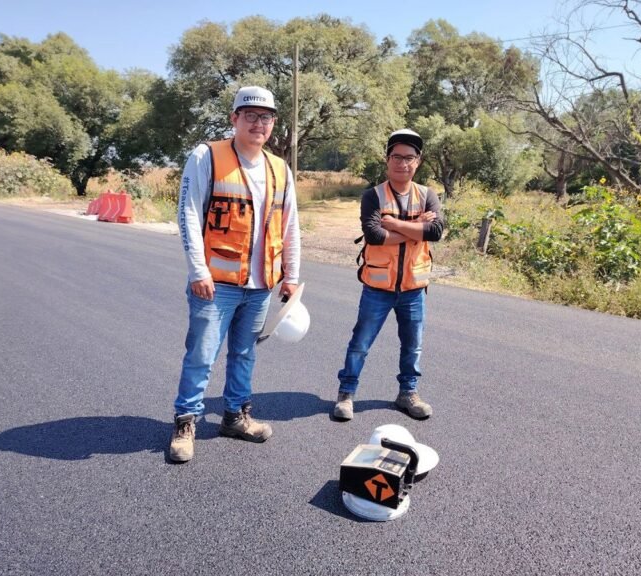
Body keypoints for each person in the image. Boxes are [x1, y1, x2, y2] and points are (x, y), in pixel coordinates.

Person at [170, 86, 301, 462]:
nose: (258, 124)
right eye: (250, 116)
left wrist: (291, 274)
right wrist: (198, 270)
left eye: (266, 118)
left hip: (260, 284)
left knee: (244, 354)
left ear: (273, 123)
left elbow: (290, 224)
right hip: (215, 282)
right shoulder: (206, 156)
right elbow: (189, 216)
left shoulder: (279, 168)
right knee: (202, 354)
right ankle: (185, 420)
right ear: (234, 119)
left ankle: (235, 415)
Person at [333, 129, 444, 422]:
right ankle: (346, 394)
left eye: (409, 158)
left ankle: (408, 393)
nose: (402, 163)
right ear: (387, 159)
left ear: (418, 162)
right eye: (397, 156)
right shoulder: (373, 196)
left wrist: (393, 223)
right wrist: (414, 228)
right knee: (360, 343)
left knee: (412, 345)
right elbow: (373, 235)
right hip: (377, 287)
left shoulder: (428, 195)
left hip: (413, 288)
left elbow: (435, 231)